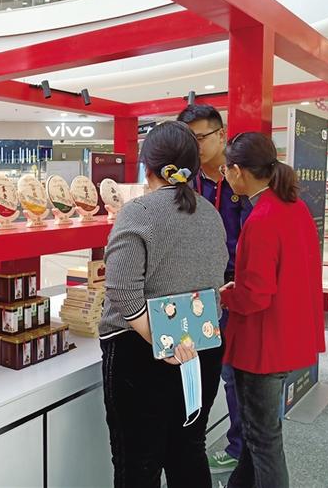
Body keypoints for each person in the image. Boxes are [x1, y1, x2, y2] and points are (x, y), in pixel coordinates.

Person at [99, 121, 229, 488]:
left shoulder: (139, 212)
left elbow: (122, 290)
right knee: (189, 449)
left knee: (139, 462)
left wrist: (163, 341)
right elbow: (215, 279)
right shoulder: (210, 213)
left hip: (140, 353)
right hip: (201, 348)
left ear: (148, 166)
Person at [218, 132, 325, 488]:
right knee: (258, 435)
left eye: (226, 168)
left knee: (263, 440)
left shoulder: (261, 217)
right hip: (290, 334)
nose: (225, 175)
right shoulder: (294, 208)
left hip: (262, 345)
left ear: (238, 171)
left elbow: (256, 296)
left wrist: (227, 296)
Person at [177, 104, 251, 473]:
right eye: (187, 139)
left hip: (234, 286)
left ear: (221, 135)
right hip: (193, 286)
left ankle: (240, 447)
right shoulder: (185, 179)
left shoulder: (241, 176)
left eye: (200, 137)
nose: (194, 146)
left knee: (234, 374)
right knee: (194, 368)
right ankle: (189, 449)